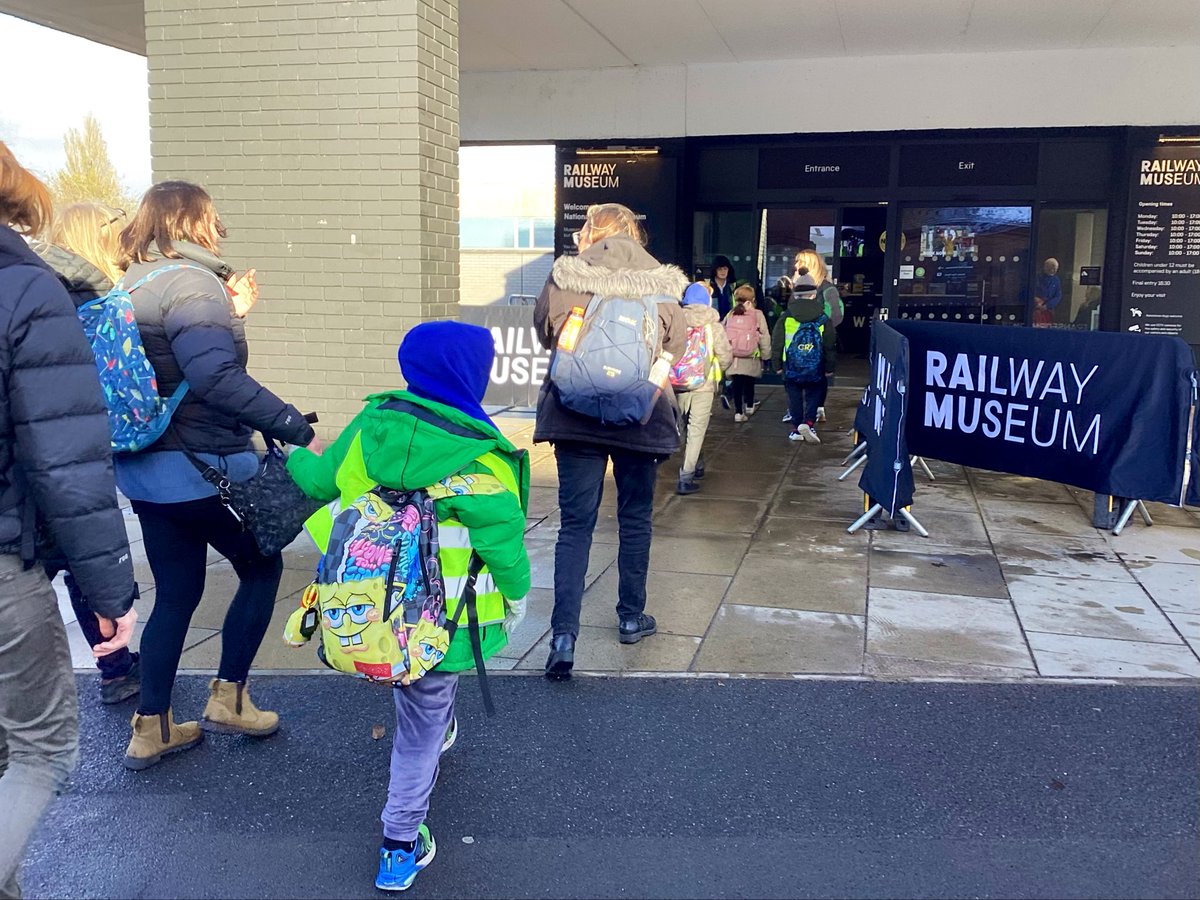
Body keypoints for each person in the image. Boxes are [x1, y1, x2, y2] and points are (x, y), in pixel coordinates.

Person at [286, 321, 530, 893]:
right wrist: (517, 598)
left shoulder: (371, 426)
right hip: (443, 627)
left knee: (416, 697)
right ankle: (399, 843)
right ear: (474, 373)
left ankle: (431, 721)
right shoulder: (484, 458)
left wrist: (298, 455)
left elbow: (319, 482)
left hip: (369, 609)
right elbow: (504, 544)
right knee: (418, 728)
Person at [113, 181, 320, 771]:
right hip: (203, 467)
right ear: (195, 221)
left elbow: (178, 361)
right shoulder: (194, 285)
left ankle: (150, 727)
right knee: (261, 565)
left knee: (176, 590)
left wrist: (232, 316)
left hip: (145, 468)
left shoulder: (133, 282)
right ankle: (229, 698)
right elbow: (214, 378)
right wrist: (290, 424)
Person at [0, 142, 138, 899]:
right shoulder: (28, 288)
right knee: (42, 748)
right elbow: (66, 460)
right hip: (2, 566)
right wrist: (109, 592)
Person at [534, 202, 687, 680]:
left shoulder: (567, 275)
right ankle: (629, 616)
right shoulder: (660, 281)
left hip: (574, 417)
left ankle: (563, 634)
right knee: (635, 519)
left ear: (590, 233)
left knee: (574, 527)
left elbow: (545, 331)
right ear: (633, 234)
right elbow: (676, 346)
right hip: (640, 417)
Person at [31, 202, 141, 704]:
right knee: (79, 559)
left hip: (31, 457)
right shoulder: (100, 302)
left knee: (43, 566)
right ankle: (114, 666)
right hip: (71, 450)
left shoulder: (31, 289)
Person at [674, 282, 732, 495]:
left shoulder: (675, 320)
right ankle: (686, 477)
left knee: (683, 425)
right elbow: (725, 356)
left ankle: (697, 463)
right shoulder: (713, 325)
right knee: (697, 429)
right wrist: (718, 372)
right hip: (703, 384)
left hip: (678, 383)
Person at [772, 268, 836, 444]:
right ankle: (809, 422)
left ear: (796, 295)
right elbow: (830, 345)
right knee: (815, 393)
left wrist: (776, 364)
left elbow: (777, 343)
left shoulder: (786, 317)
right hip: (817, 365)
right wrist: (830, 367)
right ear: (814, 295)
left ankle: (796, 428)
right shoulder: (823, 318)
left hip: (791, 364)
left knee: (794, 397)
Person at [789, 249, 843, 425]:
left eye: (800, 262)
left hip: (817, 343)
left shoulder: (827, 288)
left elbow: (837, 314)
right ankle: (800, 412)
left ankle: (817, 409)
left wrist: (820, 329)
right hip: (797, 343)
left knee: (818, 376)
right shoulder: (798, 286)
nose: (795, 265)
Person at [723, 284, 772, 422]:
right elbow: (764, 336)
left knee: (737, 384)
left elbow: (722, 332)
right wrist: (766, 355)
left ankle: (738, 413)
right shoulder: (757, 314)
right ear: (752, 300)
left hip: (735, 358)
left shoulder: (731, 314)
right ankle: (749, 405)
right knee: (749, 382)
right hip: (751, 357)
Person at [1034, 257, 1062, 327]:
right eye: (1051, 267)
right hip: (1036, 309)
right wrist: (1036, 301)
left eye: (1055, 268)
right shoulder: (1036, 277)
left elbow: (1058, 296)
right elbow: (1030, 291)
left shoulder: (1056, 280)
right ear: (1045, 266)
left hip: (1048, 311)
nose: (1053, 270)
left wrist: (1048, 305)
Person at [708, 254, 736, 319]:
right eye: (719, 269)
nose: (723, 271)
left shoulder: (733, 286)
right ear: (715, 270)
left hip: (730, 323)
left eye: (725, 269)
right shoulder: (708, 286)